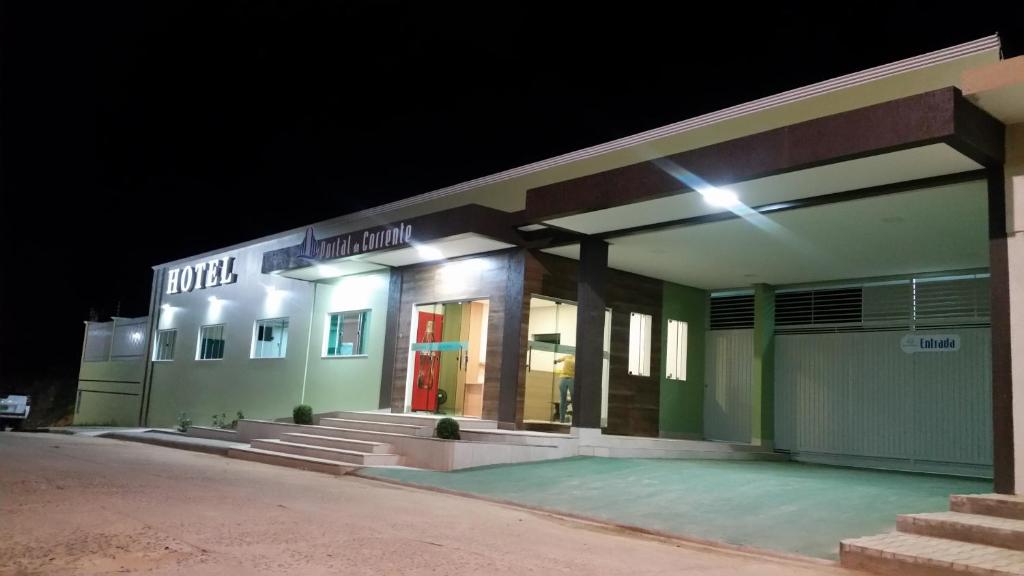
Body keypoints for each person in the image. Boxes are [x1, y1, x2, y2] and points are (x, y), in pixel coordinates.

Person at [554, 354, 575, 423]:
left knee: (573, 398)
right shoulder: (567, 356)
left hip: (572, 378)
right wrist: (556, 361)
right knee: (562, 399)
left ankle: (575, 420)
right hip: (563, 377)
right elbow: (560, 359)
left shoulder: (578, 359)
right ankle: (561, 420)